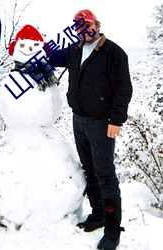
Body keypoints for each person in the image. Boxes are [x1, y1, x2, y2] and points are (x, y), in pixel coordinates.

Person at [51, 9, 133, 250]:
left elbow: (123, 89)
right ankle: (97, 215)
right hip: (79, 120)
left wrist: (116, 121)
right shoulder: (74, 51)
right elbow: (48, 57)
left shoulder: (113, 53)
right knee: (90, 170)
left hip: (102, 123)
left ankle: (112, 230)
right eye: (78, 26)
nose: (83, 29)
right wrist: (26, 45)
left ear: (96, 25)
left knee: (105, 173)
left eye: (87, 24)